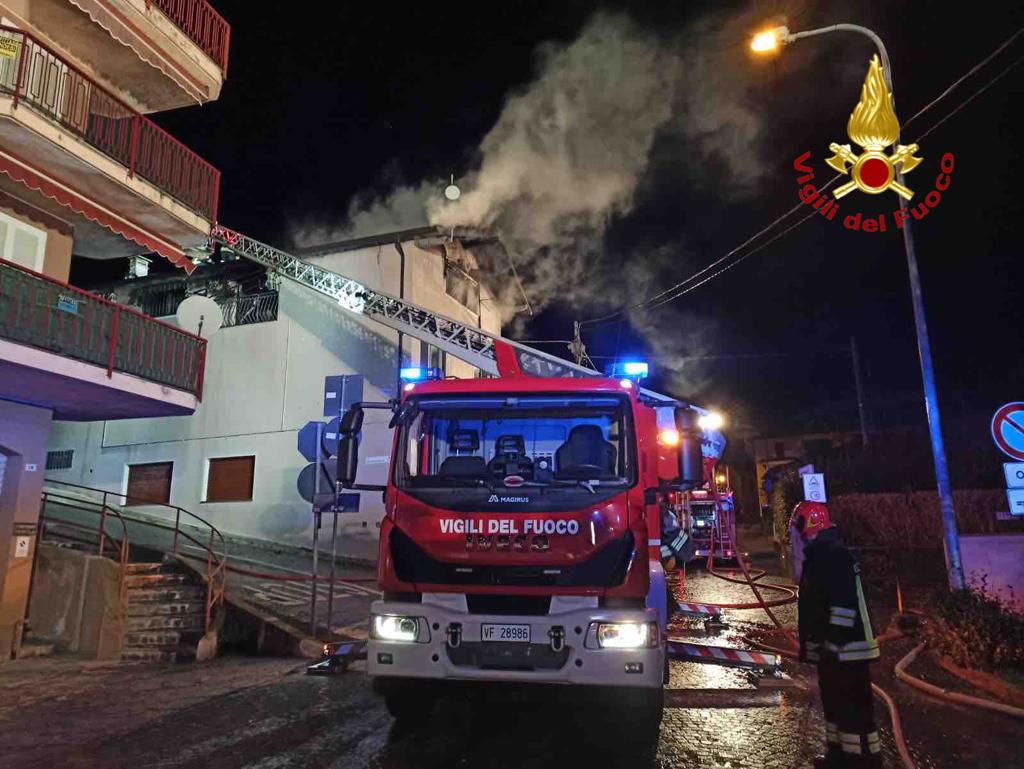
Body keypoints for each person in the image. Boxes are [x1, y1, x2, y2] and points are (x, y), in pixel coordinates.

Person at [791, 501, 881, 769]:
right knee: (835, 710)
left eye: (798, 527)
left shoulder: (833, 555)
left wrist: (832, 641)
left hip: (848, 651)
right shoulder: (820, 554)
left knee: (854, 714)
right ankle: (838, 757)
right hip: (833, 651)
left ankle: (863, 762)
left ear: (807, 525)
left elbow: (843, 606)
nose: (797, 535)